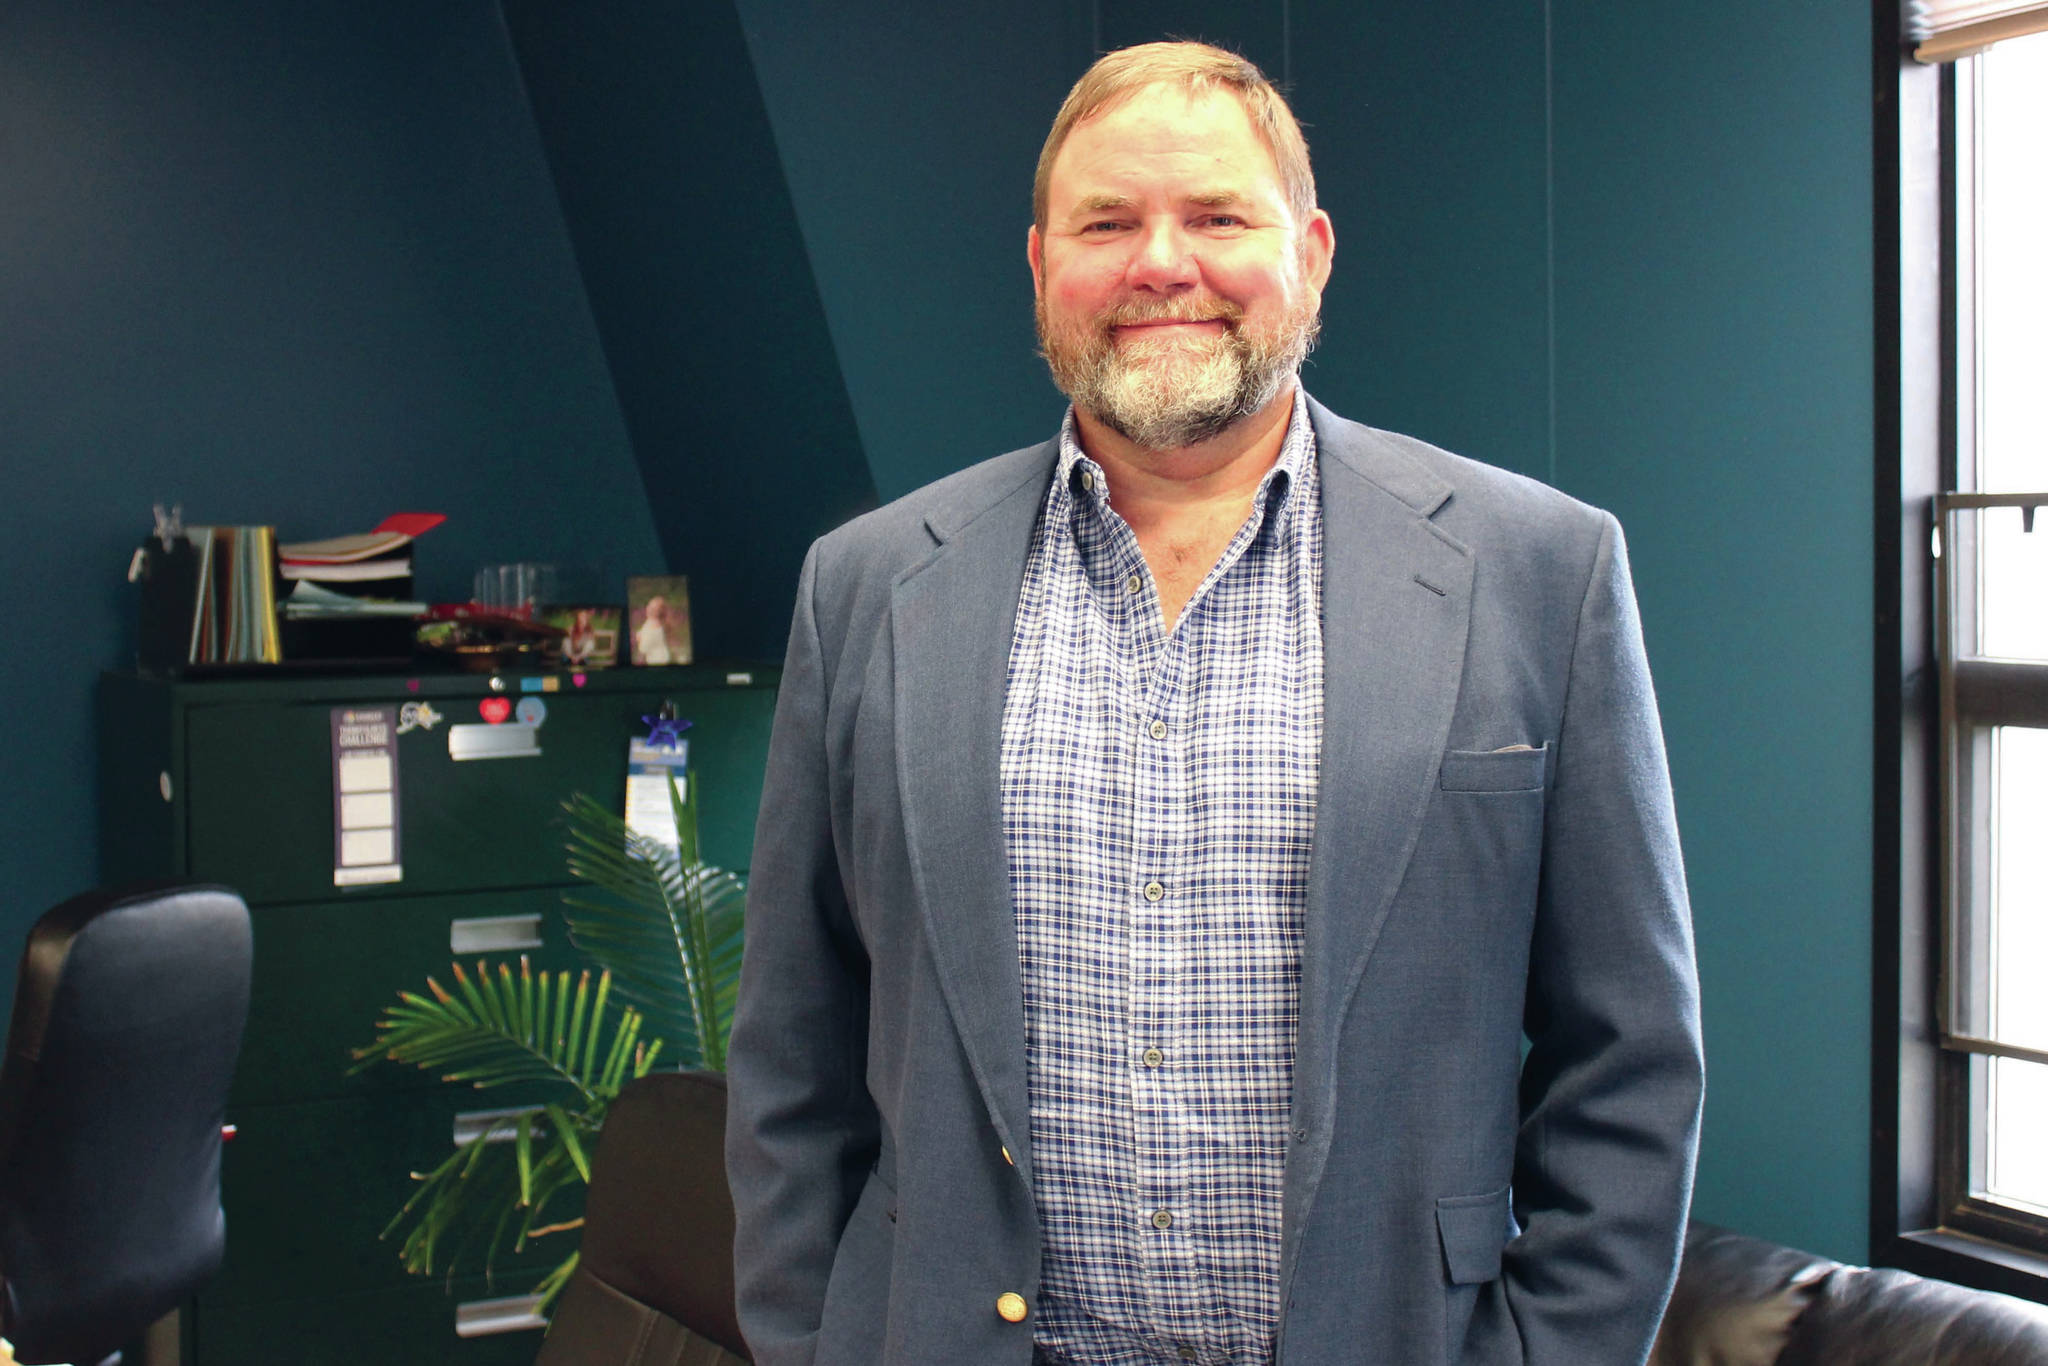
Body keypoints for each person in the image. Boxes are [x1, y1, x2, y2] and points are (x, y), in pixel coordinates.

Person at [727, 41, 1703, 1366]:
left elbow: (1628, 1054)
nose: (1160, 263)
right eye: (1107, 223)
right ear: (1039, 265)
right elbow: (794, 1043)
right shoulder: (870, 586)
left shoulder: (1539, 571)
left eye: (1218, 217)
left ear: (1309, 249)